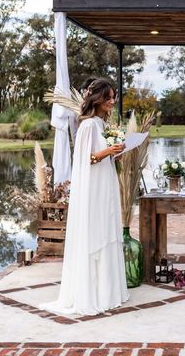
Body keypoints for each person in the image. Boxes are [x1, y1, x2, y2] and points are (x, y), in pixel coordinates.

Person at [40, 78, 129, 315]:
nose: (112, 101)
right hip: (94, 189)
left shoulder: (101, 124)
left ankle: (108, 290)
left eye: (113, 97)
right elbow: (84, 159)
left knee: (108, 226)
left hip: (105, 183)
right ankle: (95, 293)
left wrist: (114, 154)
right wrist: (108, 151)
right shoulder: (88, 125)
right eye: (108, 97)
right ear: (97, 99)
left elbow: (99, 156)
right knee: (97, 230)